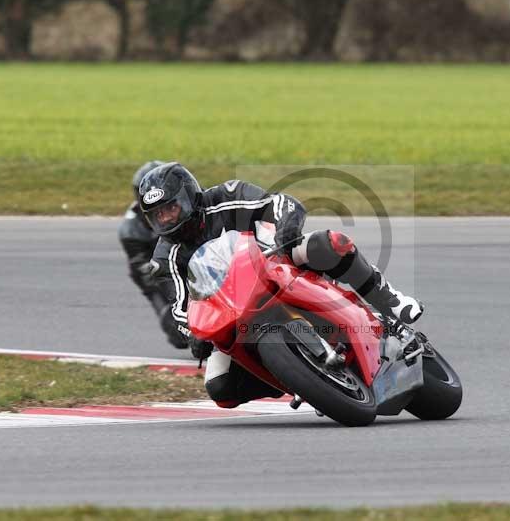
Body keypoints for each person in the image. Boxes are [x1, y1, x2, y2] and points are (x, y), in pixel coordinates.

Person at [139, 162, 424, 407]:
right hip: (231, 311)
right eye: (157, 215)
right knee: (220, 387)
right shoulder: (165, 259)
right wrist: (193, 333)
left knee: (327, 244)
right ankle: (300, 379)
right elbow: (180, 308)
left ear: (188, 197)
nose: (166, 219)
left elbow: (280, 203)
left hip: (273, 265)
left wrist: (285, 227)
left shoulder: (226, 197)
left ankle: (390, 303)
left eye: (171, 208)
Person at [118, 160, 188, 349]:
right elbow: (146, 275)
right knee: (178, 332)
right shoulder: (131, 230)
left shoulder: (189, 199)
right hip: (161, 276)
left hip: (193, 255)